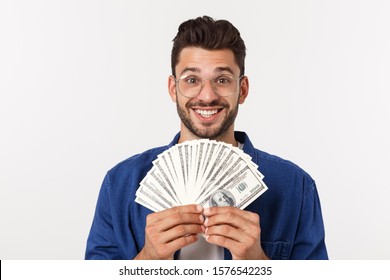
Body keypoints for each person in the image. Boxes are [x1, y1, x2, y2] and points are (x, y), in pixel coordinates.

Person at [85, 16, 328, 260]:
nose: (208, 96)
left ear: (242, 90)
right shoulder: (118, 184)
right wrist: (147, 261)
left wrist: (258, 264)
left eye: (222, 80)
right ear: (173, 89)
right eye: (192, 80)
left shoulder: (296, 187)